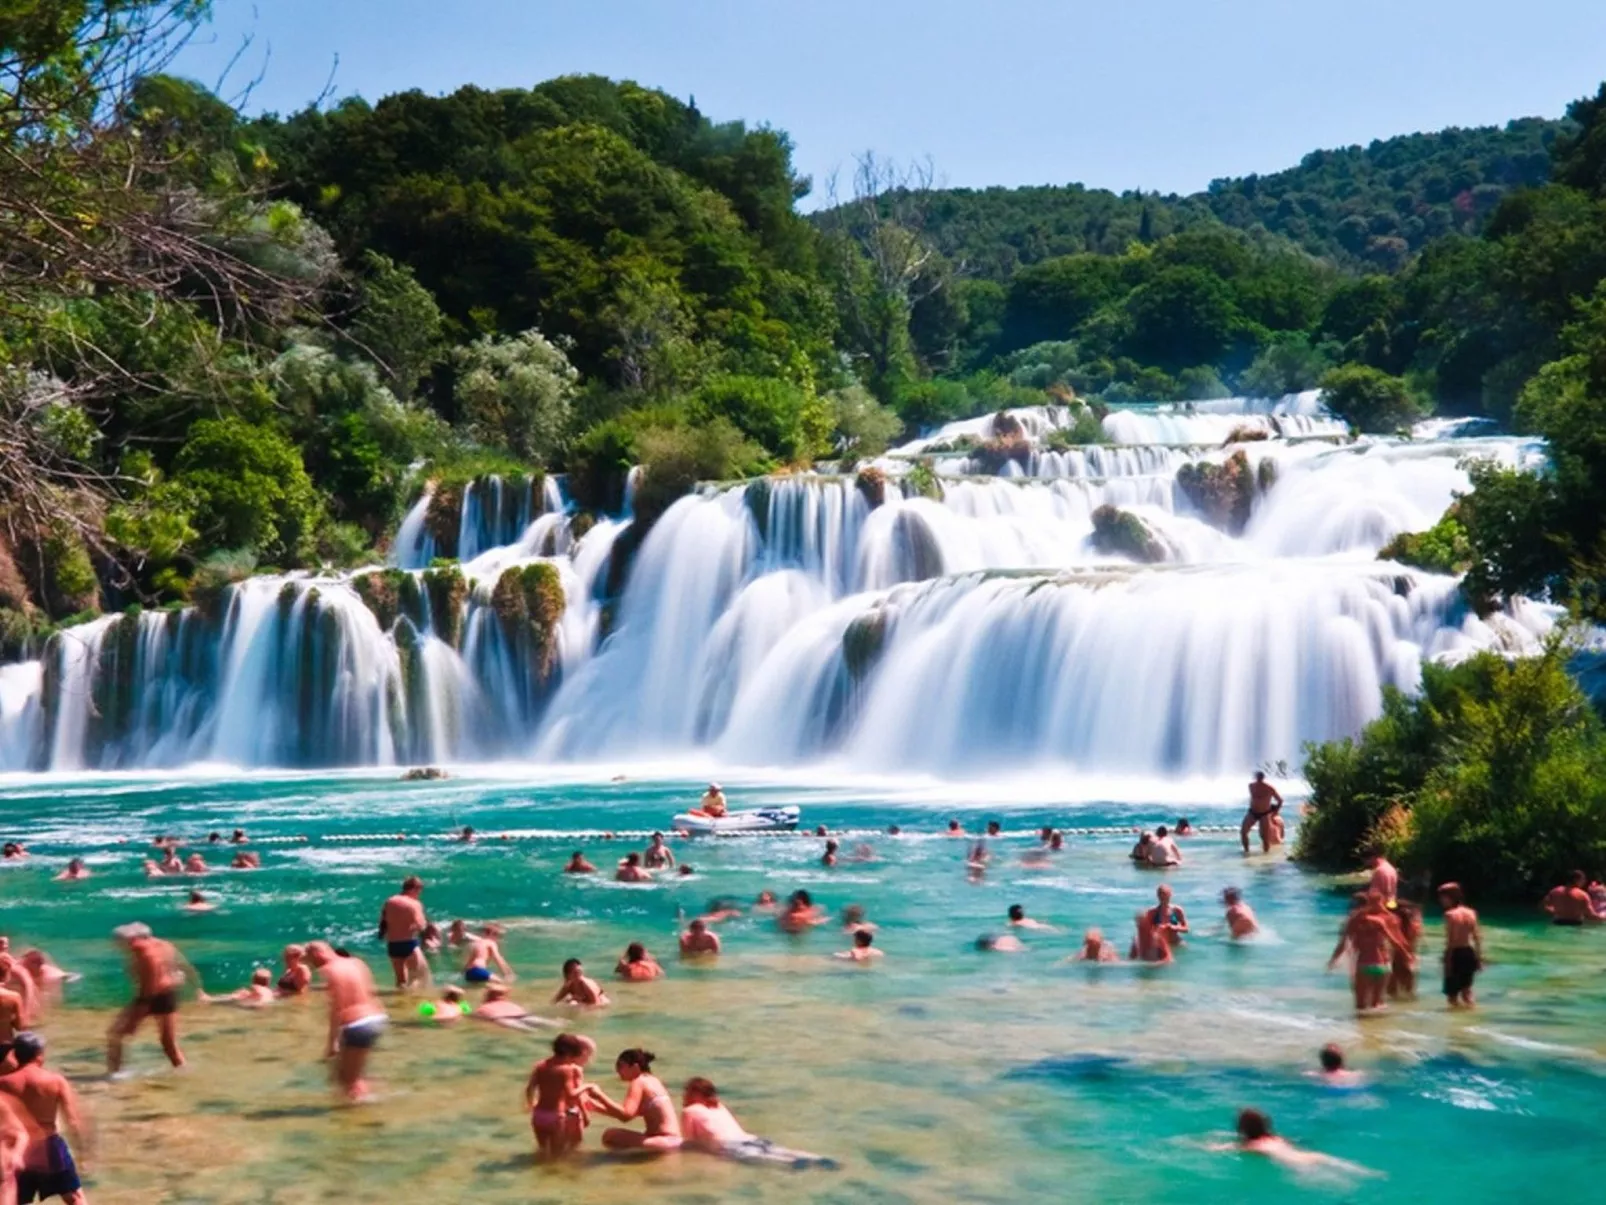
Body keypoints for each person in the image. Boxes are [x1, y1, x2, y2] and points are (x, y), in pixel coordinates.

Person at [0, 1033, 89, 1205]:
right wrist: (82, 1153)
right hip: (49, 1146)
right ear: (39, 1054)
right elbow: (73, 1121)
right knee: (75, 1198)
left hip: (20, 1151)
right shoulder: (55, 1081)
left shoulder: (3, 1082)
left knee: (15, 1199)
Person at [307, 941, 386, 1103]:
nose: (312, 965)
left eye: (310, 960)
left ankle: (358, 1115)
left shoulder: (328, 970)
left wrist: (332, 1042)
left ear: (318, 955)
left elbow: (337, 1007)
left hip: (357, 1023)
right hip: (377, 1017)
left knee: (348, 1080)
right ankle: (365, 1098)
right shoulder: (356, 962)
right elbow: (372, 990)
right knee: (345, 1074)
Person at [107, 923, 190, 1074]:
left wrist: (139, 1012)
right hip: (169, 994)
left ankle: (114, 1075)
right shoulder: (164, 945)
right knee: (169, 1043)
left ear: (133, 940)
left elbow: (150, 985)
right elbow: (183, 966)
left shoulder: (144, 954)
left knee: (115, 1035)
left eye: (121, 943)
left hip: (150, 997)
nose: (120, 947)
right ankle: (184, 1071)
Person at [1328, 891, 1410, 1012]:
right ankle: (1377, 1029)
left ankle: (1363, 1030)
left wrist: (1333, 960)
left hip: (1364, 964)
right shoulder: (1380, 921)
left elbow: (1343, 944)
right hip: (1383, 964)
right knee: (1378, 1004)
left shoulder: (1353, 922)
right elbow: (1394, 941)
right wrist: (1407, 955)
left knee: (1360, 1006)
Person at [586, 1049, 682, 1153]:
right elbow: (631, 1113)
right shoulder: (653, 1081)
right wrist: (595, 1107)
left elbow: (625, 1116)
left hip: (662, 1141)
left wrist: (599, 1095)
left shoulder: (638, 1082)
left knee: (609, 1135)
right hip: (675, 1140)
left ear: (635, 1067)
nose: (617, 1070)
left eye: (620, 1066)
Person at [1225, 1108, 1369, 1174]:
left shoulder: (1251, 1145)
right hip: (1314, 1156)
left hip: (1296, 1165)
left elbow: (1228, 1148)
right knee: (1362, 1173)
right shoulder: (1277, 1138)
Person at [525, 1033, 596, 1160]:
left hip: (539, 1115)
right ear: (569, 1054)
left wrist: (532, 1104)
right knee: (557, 1155)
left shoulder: (540, 1065)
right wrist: (587, 1087)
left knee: (542, 1151)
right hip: (555, 1117)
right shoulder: (566, 1069)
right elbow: (572, 1094)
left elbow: (529, 1089)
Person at [377, 875, 430, 989]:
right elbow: (421, 926)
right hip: (409, 943)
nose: (420, 893)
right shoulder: (414, 903)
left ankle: (400, 1000)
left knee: (401, 980)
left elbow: (383, 922)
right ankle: (410, 1000)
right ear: (415, 888)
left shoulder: (390, 901)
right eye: (420, 889)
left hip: (392, 944)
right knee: (419, 976)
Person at [1439, 882, 1483, 1008]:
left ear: (1449, 897)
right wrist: (1479, 958)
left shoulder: (1449, 915)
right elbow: (1477, 937)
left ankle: (1456, 1023)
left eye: (1442, 897)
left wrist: (1447, 959)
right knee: (1467, 991)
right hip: (1469, 952)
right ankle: (1471, 1016)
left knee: (1452, 995)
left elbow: (1451, 940)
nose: (1441, 900)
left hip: (1455, 953)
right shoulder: (1471, 912)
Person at [680, 1077, 753, 1153]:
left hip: (732, 1147)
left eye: (687, 1091)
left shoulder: (689, 1110)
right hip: (751, 1140)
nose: (684, 1096)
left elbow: (689, 1143)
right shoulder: (719, 1106)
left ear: (696, 1094)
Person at [472, 980, 556, 1031]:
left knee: (528, 1031)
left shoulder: (484, 1006)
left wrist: (461, 1003)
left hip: (502, 1018)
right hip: (523, 1015)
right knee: (553, 1024)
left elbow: (469, 1013)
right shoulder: (508, 1003)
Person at [1241, 772, 1284, 855]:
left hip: (1264, 813)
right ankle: (1246, 852)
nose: (1259, 779)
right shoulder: (1251, 786)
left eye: (1260, 778)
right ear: (1255, 778)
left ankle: (1266, 855)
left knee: (1265, 837)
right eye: (1257, 778)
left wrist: (1275, 811)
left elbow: (1280, 800)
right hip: (1253, 812)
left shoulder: (1269, 788)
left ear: (1263, 778)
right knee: (1243, 832)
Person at [1387, 900, 1421, 999]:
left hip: (1397, 959)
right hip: (1411, 959)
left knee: (1392, 993)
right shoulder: (1415, 926)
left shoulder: (1394, 926)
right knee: (1410, 993)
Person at [200, 967, 276, 1008]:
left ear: (253, 980)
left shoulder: (257, 987)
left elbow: (257, 991)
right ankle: (210, 999)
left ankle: (210, 999)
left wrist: (242, 994)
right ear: (268, 982)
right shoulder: (269, 991)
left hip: (258, 1005)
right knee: (242, 996)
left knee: (236, 996)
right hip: (266, 1004)